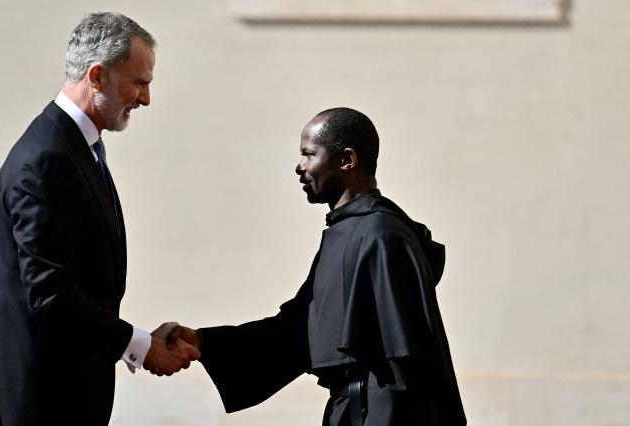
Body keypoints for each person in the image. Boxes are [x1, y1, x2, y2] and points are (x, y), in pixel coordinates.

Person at [168, 108, 467, 425]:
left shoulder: (381, 236)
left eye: (309, 154)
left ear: (346, 160)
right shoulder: (347, 233)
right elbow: (295, 332)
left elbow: (402, 366)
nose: (299, 167)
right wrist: (202, 341)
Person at [0, 12, 199, 426]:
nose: (145, 99)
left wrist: (143, 339)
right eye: (139, 83)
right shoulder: (48, 158)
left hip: (72, 391)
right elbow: (51, 296)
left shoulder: (73, 148)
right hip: (45, 400)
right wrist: (139, 345)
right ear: (97, 76)